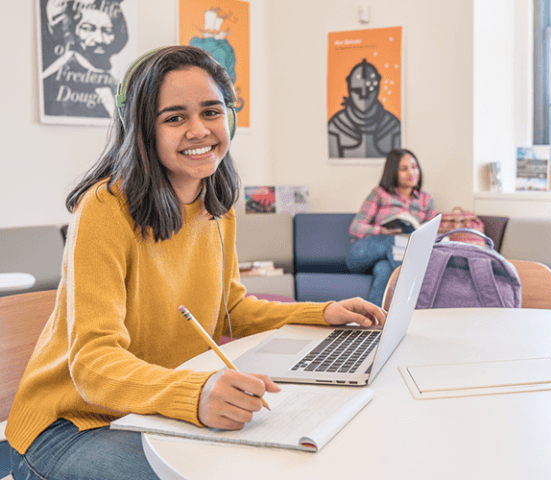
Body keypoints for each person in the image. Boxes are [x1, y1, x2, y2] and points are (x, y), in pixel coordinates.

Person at [6, 46, 385, 480]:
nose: (199, 130)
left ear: (230, 119)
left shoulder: (217, 209)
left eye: (211, 111)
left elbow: (232, 309)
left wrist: (321, 313)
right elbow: (93, 363)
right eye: (174, 118)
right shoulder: (105, 209)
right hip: (71, 424)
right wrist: (196, 392)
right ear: (142, 131)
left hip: (149, 408)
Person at [346, 148, 438, 307]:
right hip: (363, 253)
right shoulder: (379, 194)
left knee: (384, 269)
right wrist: (382, 231)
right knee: (393, 241)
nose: (411, 172)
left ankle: (375, 323)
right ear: (393, 171)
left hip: (394, 257)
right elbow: (355, 227)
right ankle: (415, 289)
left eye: (414, 167)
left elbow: (431, 233)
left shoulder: (426, 200)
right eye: (404, 169)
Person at [41, 0, 130, 118]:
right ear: (72, 31)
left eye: (107, 31)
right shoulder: (52, 81)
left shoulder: (122, 82)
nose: (99, 39)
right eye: (88, 29)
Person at [328, 59, 402, 158]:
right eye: (357, 90)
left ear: (378, 89)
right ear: (349, 88)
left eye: (369, 89)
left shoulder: (392, 125)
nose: (363, 95)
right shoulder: (337, 125)